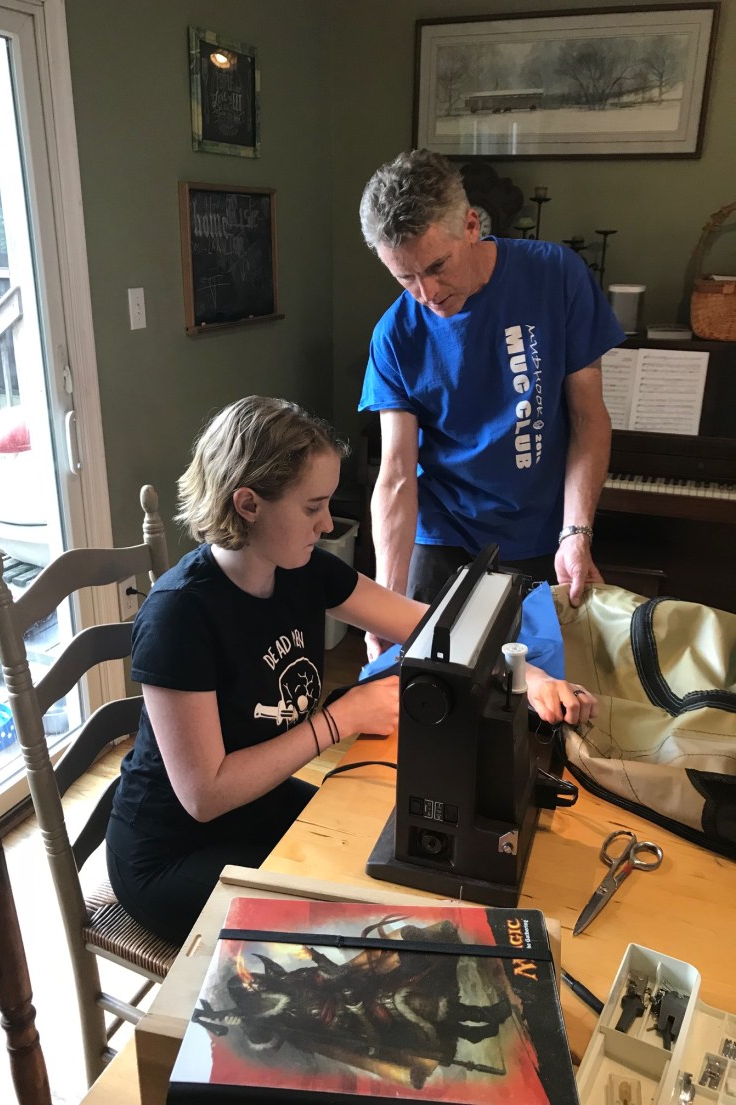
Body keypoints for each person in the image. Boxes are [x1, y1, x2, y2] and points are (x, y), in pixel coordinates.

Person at [105, 396, 597, 944]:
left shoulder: (300, 568)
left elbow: (429, 625)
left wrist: (526, 674)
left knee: (374, 851)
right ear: (248, 504)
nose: (328, 522)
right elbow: (204, 795)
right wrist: (338, 720)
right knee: (354, 928)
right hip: (171, 855)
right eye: (312, 506)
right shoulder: (180, 615)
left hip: (254, 808)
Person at [358, 148, 625, 660]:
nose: (427, 292)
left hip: (541, 525)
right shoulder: (395, 335)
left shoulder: (554, 275)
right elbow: (395, 475)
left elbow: (589, 417)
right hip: (444, 531)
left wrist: (576, 532)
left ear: (472, 225)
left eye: (436, 266)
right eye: (404, 278)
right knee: (432, 686)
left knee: (534, 692)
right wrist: (384, 602)